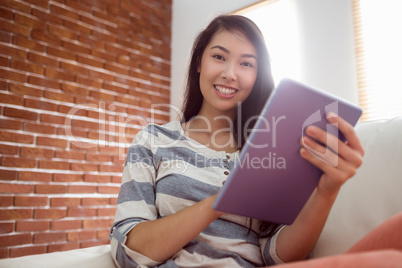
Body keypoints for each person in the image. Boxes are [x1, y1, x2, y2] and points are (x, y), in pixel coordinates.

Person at [109, 15, 402, 267]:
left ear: (258, 75)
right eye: (219, 56)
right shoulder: (153, 140)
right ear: (200, 61)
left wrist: (327, 191)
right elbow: (130, 250)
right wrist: (222, 201)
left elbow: (277, 256)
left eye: (247, 64)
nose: (230, 74)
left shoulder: (269, 148)